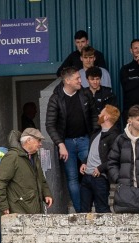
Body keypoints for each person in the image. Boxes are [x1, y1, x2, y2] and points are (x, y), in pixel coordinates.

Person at [46, 65, 97, 212]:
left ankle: (93, 206)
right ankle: (80, 211)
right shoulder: (56, 98)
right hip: (66, 143)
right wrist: (60, 144)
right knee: (73, 178)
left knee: (93, 172)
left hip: (85, 140)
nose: (80, 80)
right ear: (67, 81)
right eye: (77, 78)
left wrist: (93, 139)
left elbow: (94, 117)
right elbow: (50, 125)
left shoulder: (85, 94)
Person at [0, 128, 53, 215]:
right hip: (19, 211)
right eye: (38, 141)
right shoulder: (13, 156)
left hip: (34, 210)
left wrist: (46, 194)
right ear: (29, 140)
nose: (40, 144)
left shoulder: (34, 157)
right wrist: (3, 206)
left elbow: (41, 178)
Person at [83, 104, 122, 213]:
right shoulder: (96, 133)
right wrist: (84, 162)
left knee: (102, 210)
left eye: (101, 113)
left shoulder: (115, 136)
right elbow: (93, 152)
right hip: (87, 176)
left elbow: (114, 158)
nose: (98, 115)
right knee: (83, 211)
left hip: (100, 178)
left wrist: (100, 168)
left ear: (106, 117)